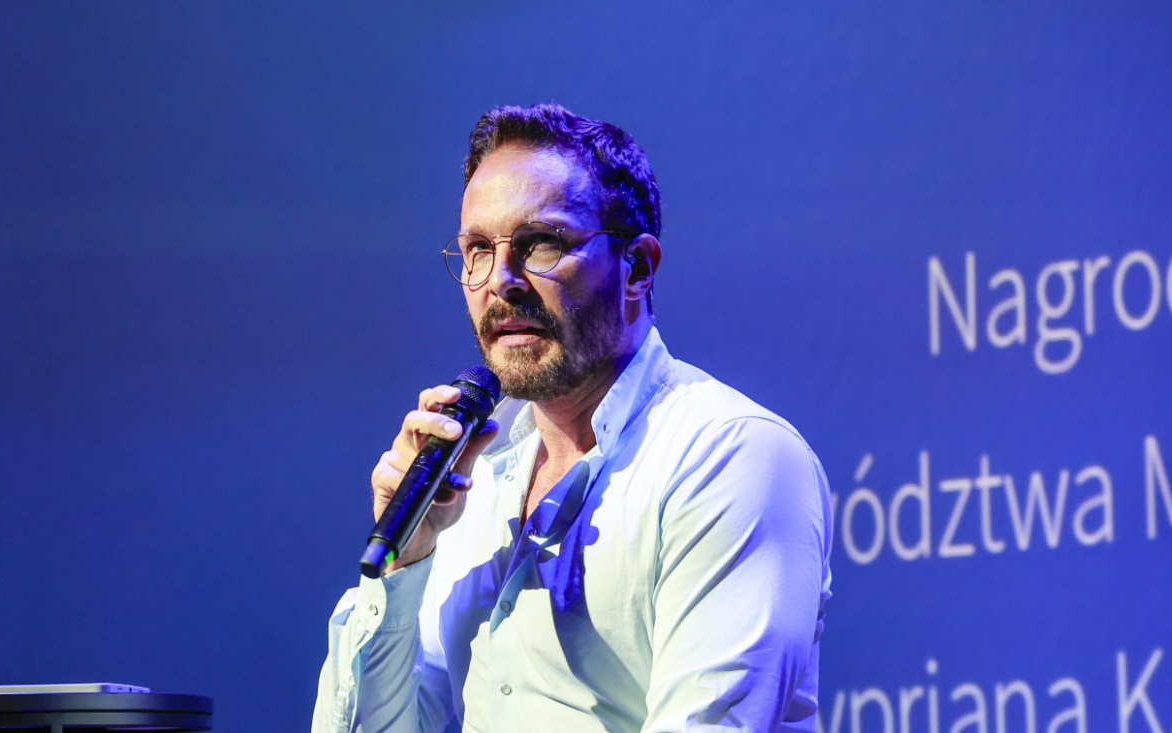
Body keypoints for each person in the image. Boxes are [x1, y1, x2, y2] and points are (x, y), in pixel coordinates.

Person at [312, 103, 833, 733]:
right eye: (478, 249)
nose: (501, 281)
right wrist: (406, 561)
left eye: (541, 243)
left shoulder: (730, 457)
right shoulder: (471, 471)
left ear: (636, 267)